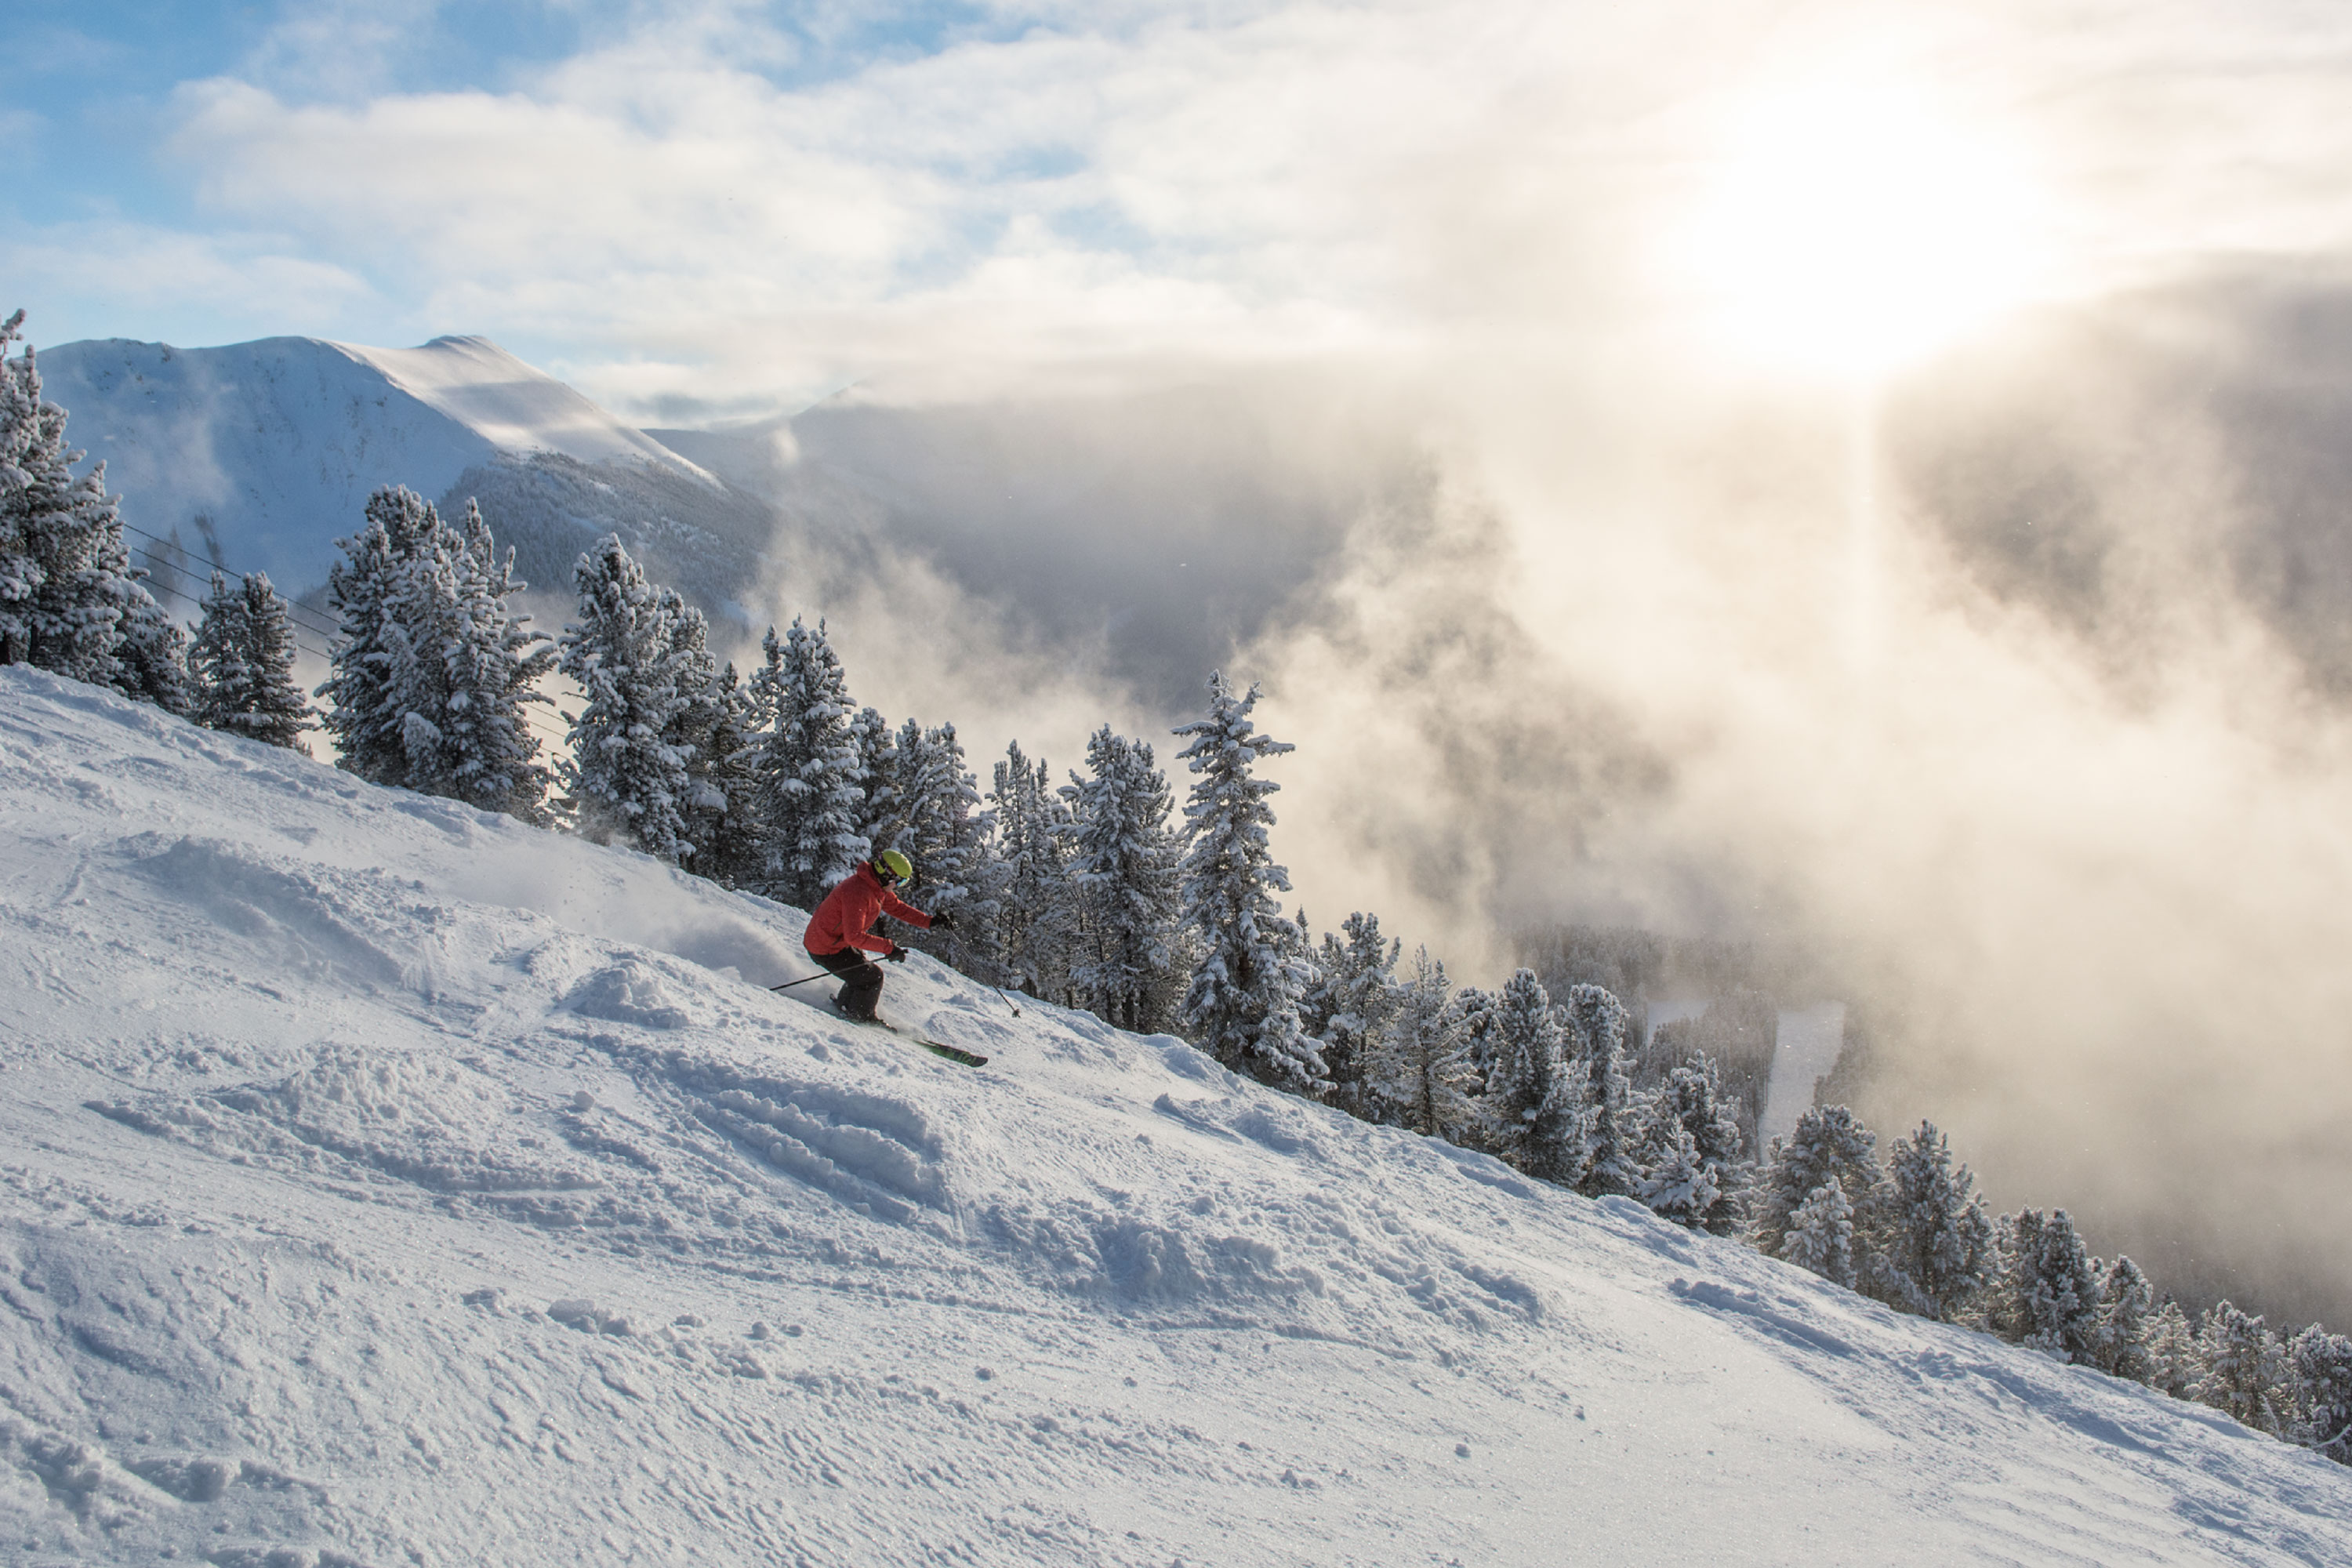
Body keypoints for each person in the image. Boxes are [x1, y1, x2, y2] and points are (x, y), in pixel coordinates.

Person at [802, 848, 956, 1022]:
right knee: (873, 976)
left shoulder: (874, 887)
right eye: (901, 882)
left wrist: (930, 921)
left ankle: (846, 1006)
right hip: (824, 946)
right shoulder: (858, 893)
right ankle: (862, 1017)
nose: (898, 887)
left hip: (832, 942)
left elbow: (897, 908)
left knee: (861, 970)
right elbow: (855, 937)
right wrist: (888, 948)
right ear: (889, 876)